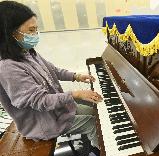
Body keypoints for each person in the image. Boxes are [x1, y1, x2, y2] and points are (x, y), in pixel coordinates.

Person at [0, 1, 103, 148]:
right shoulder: (8, 67)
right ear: (10, 32)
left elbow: (53, 70)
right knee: (93, 123)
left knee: (96, 110)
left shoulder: (27, 52)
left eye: (36, 29)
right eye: (31, 30)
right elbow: (39, 101)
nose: (35, 35)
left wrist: (76, 76)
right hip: (42, 123)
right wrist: (75, 94)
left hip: (57, 111)